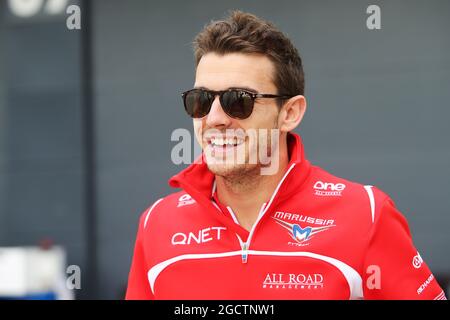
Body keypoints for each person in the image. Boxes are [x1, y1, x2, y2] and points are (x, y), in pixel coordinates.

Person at [125, 10, 446, 300]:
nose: (215, 118)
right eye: (201, 100)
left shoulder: (366, 214)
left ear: (290, 113)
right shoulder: (156, 224)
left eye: (239, 101)